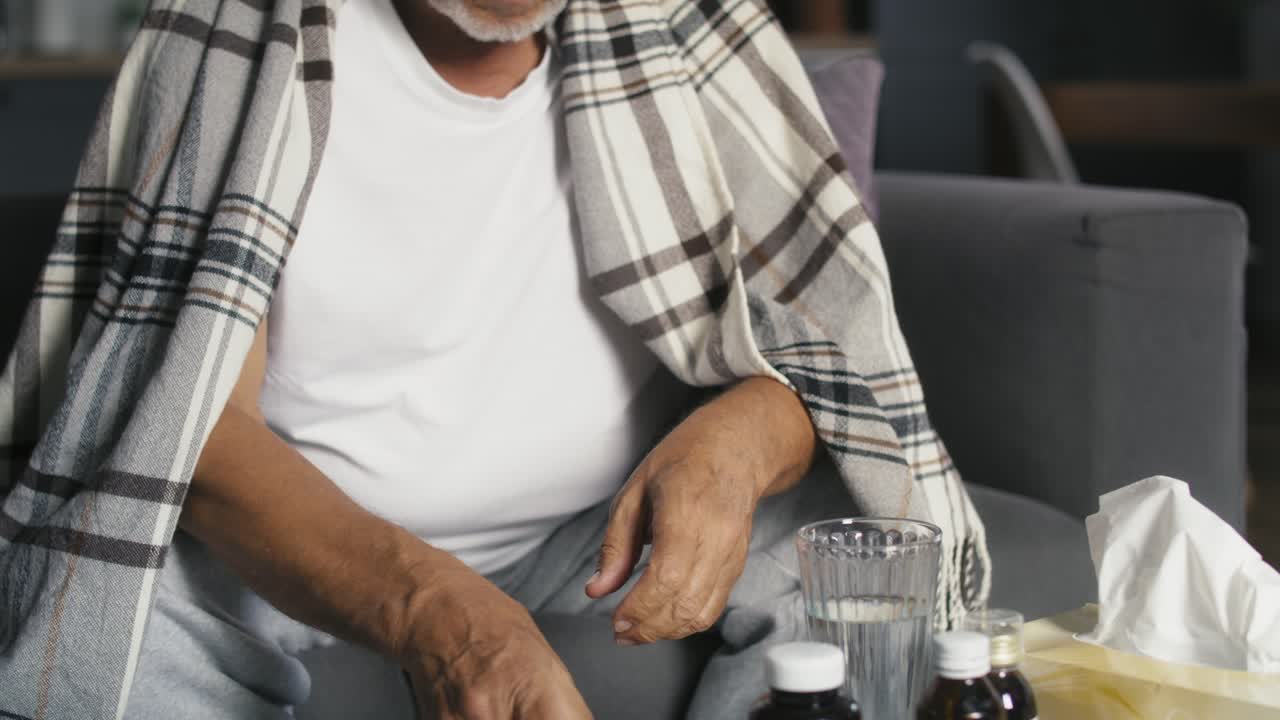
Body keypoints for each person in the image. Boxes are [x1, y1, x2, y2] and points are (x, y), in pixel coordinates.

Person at [0, 1, 989, 718]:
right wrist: (440, 611)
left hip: (592, 533)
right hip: (283, 552)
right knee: (97, 644)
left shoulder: (691, 28)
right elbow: (193, 432)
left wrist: (742, 435)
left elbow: (824, 362)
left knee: (858, 564)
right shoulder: (234, 36)